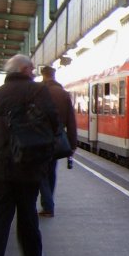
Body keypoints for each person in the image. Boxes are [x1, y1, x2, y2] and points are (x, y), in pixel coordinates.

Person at [0, 54, 58, 256]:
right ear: (24, 70)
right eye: (32, 69)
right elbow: (53, 122)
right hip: (27, 163)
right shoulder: (37, 91)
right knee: (27, 217)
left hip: (0, 168)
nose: (34, 72)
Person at [38, 65, 77, 217]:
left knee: (40, 171)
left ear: (43, 75)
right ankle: (48, 204)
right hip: (57, 139)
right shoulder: (63, 94)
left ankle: (48, 206)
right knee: (51, 172)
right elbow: (71, 121)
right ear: (54, 75)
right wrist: (72, 144)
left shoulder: (37, 91)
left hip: (38, 138)